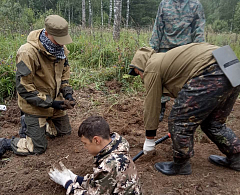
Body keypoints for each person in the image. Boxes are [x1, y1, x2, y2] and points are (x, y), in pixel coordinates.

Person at [128, 43, 240, 175]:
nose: (141, 77)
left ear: (140, 66)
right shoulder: (168, 59)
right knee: (213, 123)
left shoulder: (152, 66)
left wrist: (149, 138)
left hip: (210, 71)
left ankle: (181, 164)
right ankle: (237, 158)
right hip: (231, 66)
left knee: (178, 121)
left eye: (138, 73)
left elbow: (152, 104)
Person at [0, 15, 75, 158]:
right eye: (58, 40)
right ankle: (7, 142)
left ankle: (41, 125)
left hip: (54, 103)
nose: (61, 44)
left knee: (64, 134)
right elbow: (24, 88)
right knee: (37, 148)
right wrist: (51, 103)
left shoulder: (60, 50)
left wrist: (67, 93)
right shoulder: (27, 52)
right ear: (47, 34)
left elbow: (64, 74)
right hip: (34, 105)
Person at [48, 116, 142, 194]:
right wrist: (76, 178)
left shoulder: (110, 164)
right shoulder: (118, 146)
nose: (84, 147)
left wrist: (67, 183)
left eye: (85, 143)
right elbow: (102, 181)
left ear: (96, 140)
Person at [149, 0, 205, 121]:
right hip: (165, 49)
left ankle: (182, 109)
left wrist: (200, 52)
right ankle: (160, 107)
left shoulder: (195, 5)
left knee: (185, 80)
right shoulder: (164, 4)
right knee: (160, 79)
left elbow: (199, 31)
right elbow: (158, 27)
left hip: (185, 51)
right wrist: (152, 51)